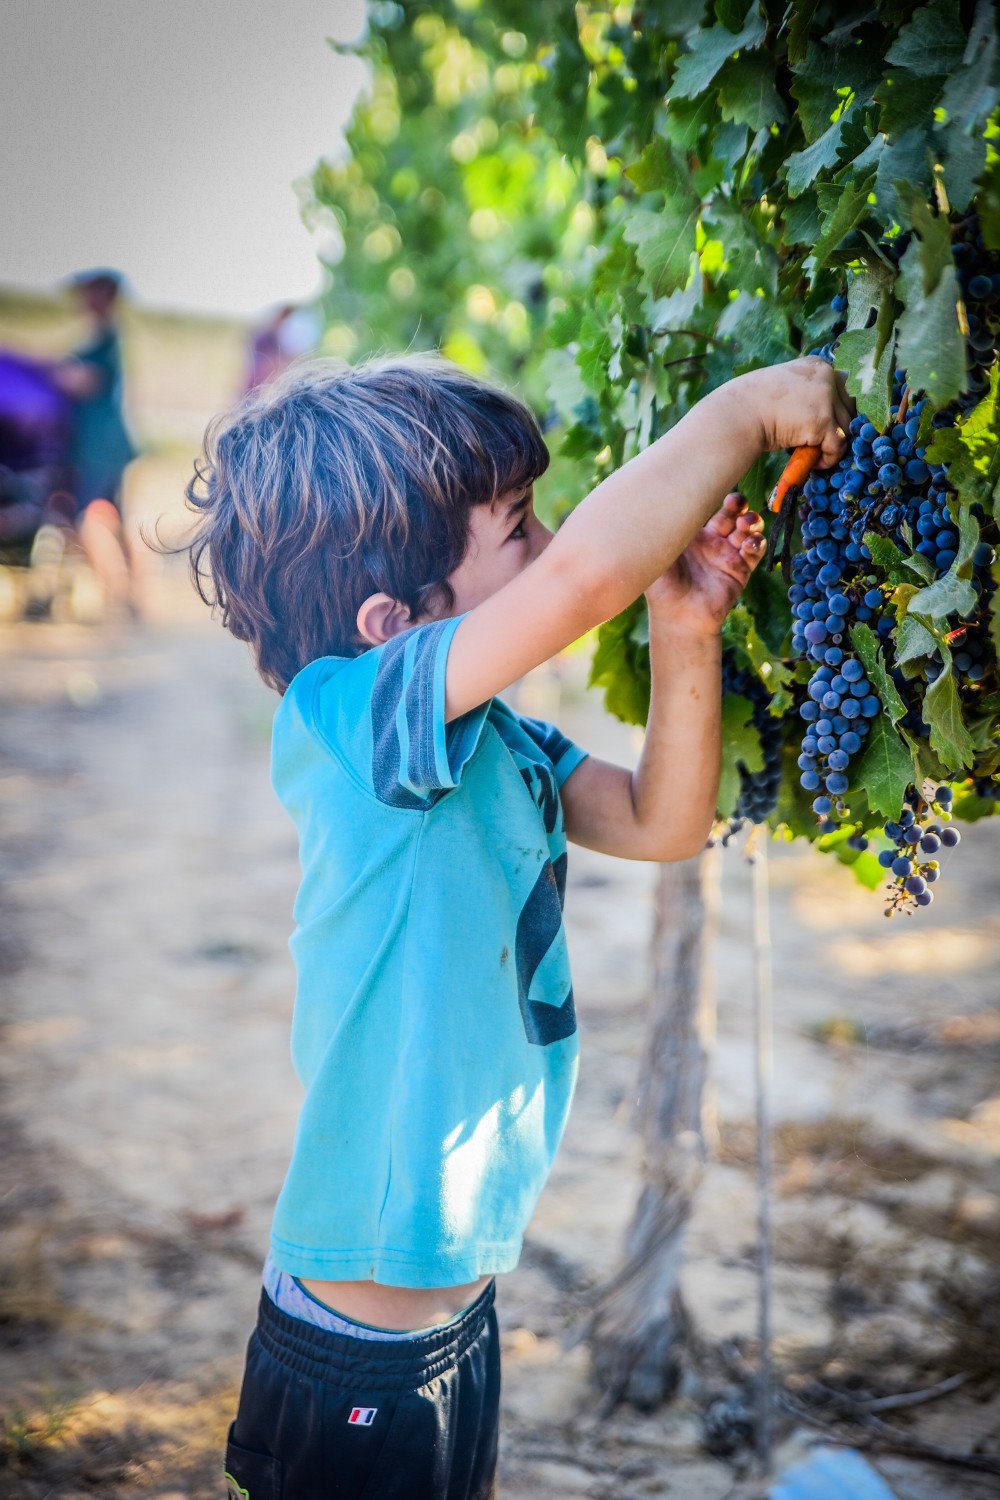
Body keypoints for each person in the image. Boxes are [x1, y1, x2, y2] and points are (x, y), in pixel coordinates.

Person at [178, 352, 850, 1498]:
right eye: (518, 532)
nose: (547, 549)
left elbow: (656, 823)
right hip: (361, 1340)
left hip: (450, 1304)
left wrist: (684, 629)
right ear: (396, 624)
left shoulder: (493, 739)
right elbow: (582, 582)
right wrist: (739, 414)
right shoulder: (356, 718)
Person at [50, 269, 140, 619]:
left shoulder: (107, 340)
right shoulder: (104, 339)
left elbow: (85, 383)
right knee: (118, 519)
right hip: (107, 446)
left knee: (89, 519)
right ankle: (128, 598)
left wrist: (53, 372)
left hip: (99, 449)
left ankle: (116, 595)